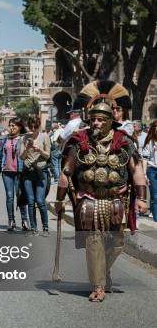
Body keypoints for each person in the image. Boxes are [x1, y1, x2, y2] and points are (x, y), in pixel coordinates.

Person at [55, 101, 148, 302]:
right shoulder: (79, 140)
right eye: (93, 119)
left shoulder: (124, 141)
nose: (96, 123)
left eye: (101, 120)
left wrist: (141, 198)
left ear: (110, 121)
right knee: (94, 240)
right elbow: (66, 171)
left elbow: (136, 171)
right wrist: (60, 199)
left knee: (117, 243)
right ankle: (98, 285)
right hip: (89, 200)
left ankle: (103, 272)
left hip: (117, 199)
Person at [0, 118, 30, 232]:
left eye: (14, 126)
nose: (11, 128)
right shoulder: (3, 139)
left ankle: (24, 221)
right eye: (10, 125)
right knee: (9, 197)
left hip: (19, 171)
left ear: (20, 127)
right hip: (6, 172)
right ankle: (11, 221)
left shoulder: (23, 139)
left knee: (20, 196)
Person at [19, 118, 51, 236]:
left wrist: (40, 150)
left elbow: (48, 156)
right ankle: (33, 228)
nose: (32, 130)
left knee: (40, 201)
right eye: (30, 127)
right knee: (31, 201)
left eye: (35, 127)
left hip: (41, 172)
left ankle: (46, 228)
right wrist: (27, 148)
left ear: (38, 127)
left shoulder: (44, 137)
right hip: (28, 172)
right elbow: (21, 157)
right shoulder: (24, 138)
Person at [141, 119, 157, 221]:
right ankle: (156, 218)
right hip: (153, 169)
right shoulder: (150, 142)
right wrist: (144, 174)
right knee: (155, 194)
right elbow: (145, 159)